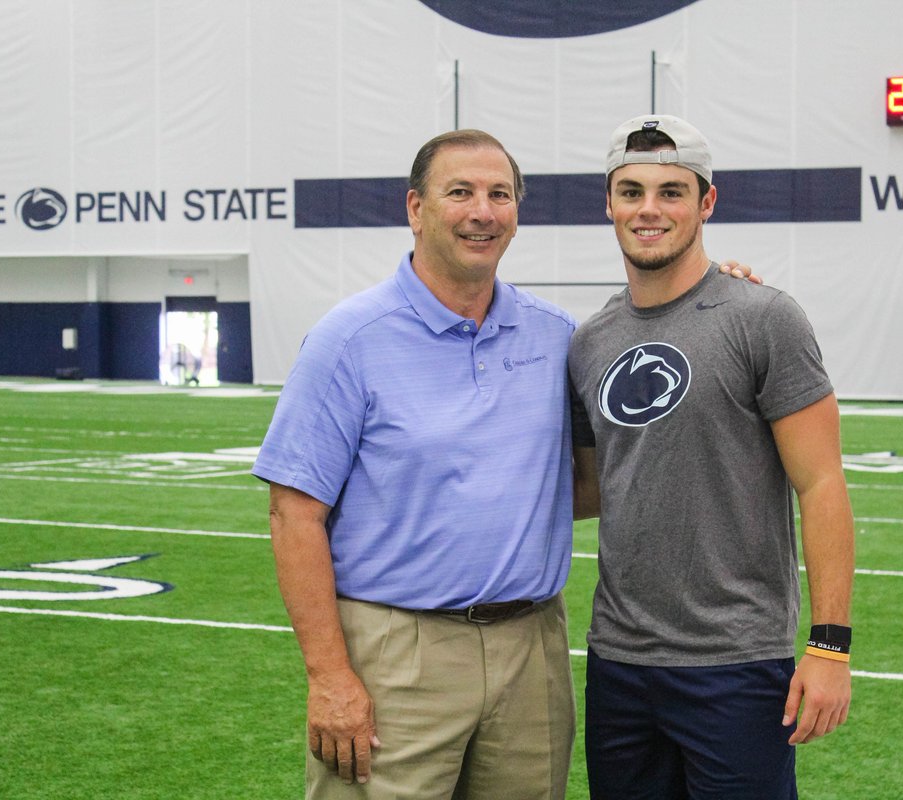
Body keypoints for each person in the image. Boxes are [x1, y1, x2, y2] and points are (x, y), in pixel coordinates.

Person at [253, 127, 760, 799]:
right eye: (459, 192)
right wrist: (329, 676)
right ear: (416, 208)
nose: (482, 212)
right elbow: (294, 515)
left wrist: (720, 294)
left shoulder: (557, 338)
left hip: (532, 649)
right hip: (397, 650)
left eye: (500, 194)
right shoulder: (350, 341)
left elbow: (591, 482)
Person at [568, 115, 855, 799]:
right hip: (618, 660)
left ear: (706, 203)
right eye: (631, 190)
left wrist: (830, 646)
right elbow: (588, 487)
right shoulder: (588, 342)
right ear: (607, 203)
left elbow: (820, 484)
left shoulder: (763, 318)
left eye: (672, 191)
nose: (649, 209)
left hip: (736, 662)